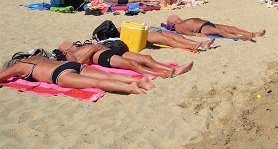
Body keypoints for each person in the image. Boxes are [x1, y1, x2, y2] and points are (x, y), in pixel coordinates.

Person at [0, 53, 155, 94]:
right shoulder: (36, 57)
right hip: (69, 64)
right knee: (106, 75)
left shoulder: (19, 66)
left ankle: (131, 88)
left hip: (59, 74)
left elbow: (2, 76)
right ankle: (140, 80)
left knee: (96, 83)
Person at [56, 41, 193, 78]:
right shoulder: (70, 54)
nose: (74, 44)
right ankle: (162, 74)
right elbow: (77, 64)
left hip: (109, 51)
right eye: (70, 44)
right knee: (133, 64)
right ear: (65, 50)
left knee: (146, 58)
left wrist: (96, 46)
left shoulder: (80, 46)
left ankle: (172, 68)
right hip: (103, 57)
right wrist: (92, 49)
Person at [166, 14, 266, 41]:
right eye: (177, 18)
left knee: (232, 28)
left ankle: (253, 33)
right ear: (173, 22)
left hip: (208, 24)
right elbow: (185, 33)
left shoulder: (181, 22)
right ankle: (242, 37)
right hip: (203, 28)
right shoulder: (178, 26)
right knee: (220, 31)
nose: (179, 18)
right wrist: (196, 34)